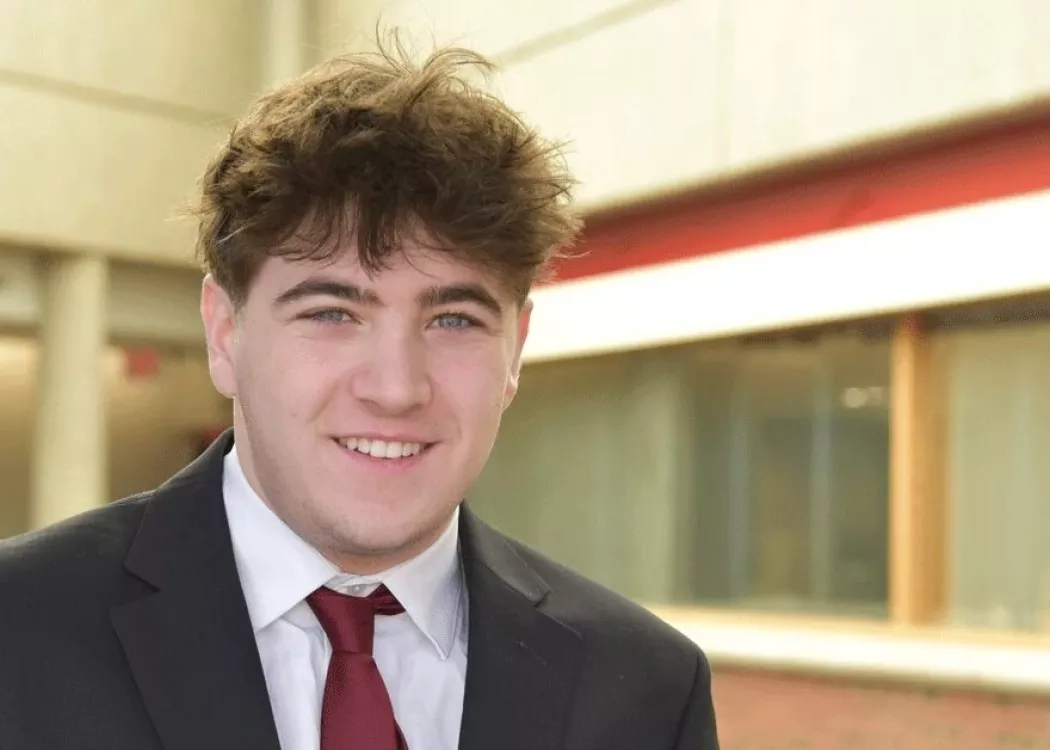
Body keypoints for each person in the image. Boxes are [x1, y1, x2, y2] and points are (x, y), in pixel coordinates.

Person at [0, 38, 719, 750]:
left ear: (516, 350)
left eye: (454, 320)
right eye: (332, 313)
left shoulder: (645, 690)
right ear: (224, 333)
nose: (396, 388)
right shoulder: (19, 635)